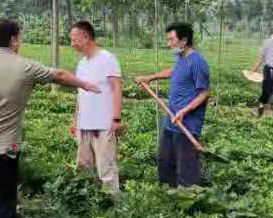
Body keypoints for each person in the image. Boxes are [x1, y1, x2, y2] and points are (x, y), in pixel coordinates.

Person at [0, 18, 101, 218]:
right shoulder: (27, 67)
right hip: (8, 147)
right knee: (5, 196)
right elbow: (60, 75)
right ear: (13, 40)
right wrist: (86, 85)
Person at [136, 23, 210, 188]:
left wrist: (184, 111)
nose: (168, 43)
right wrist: (150, 77)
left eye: (171, 39)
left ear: (183, 41)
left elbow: (204, 94)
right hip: (172, 118)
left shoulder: (198, 62)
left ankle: (188, 200)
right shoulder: (182, 58)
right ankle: (168, 196)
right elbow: (174, 71)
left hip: (187, 124)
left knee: (186, 168)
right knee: (165, 161)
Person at [69, 20, 122, 195]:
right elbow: (80, 95)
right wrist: (75, 120)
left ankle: (113, 206)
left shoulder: (107, 58)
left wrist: (116, 118)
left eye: (74, 39)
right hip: (84, 124)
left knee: (106, 167)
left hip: (103, 123)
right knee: (84, 166)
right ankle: (90, 203)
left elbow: (116, 88)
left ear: (86, 36)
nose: (72, 43)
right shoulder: (82, 63)